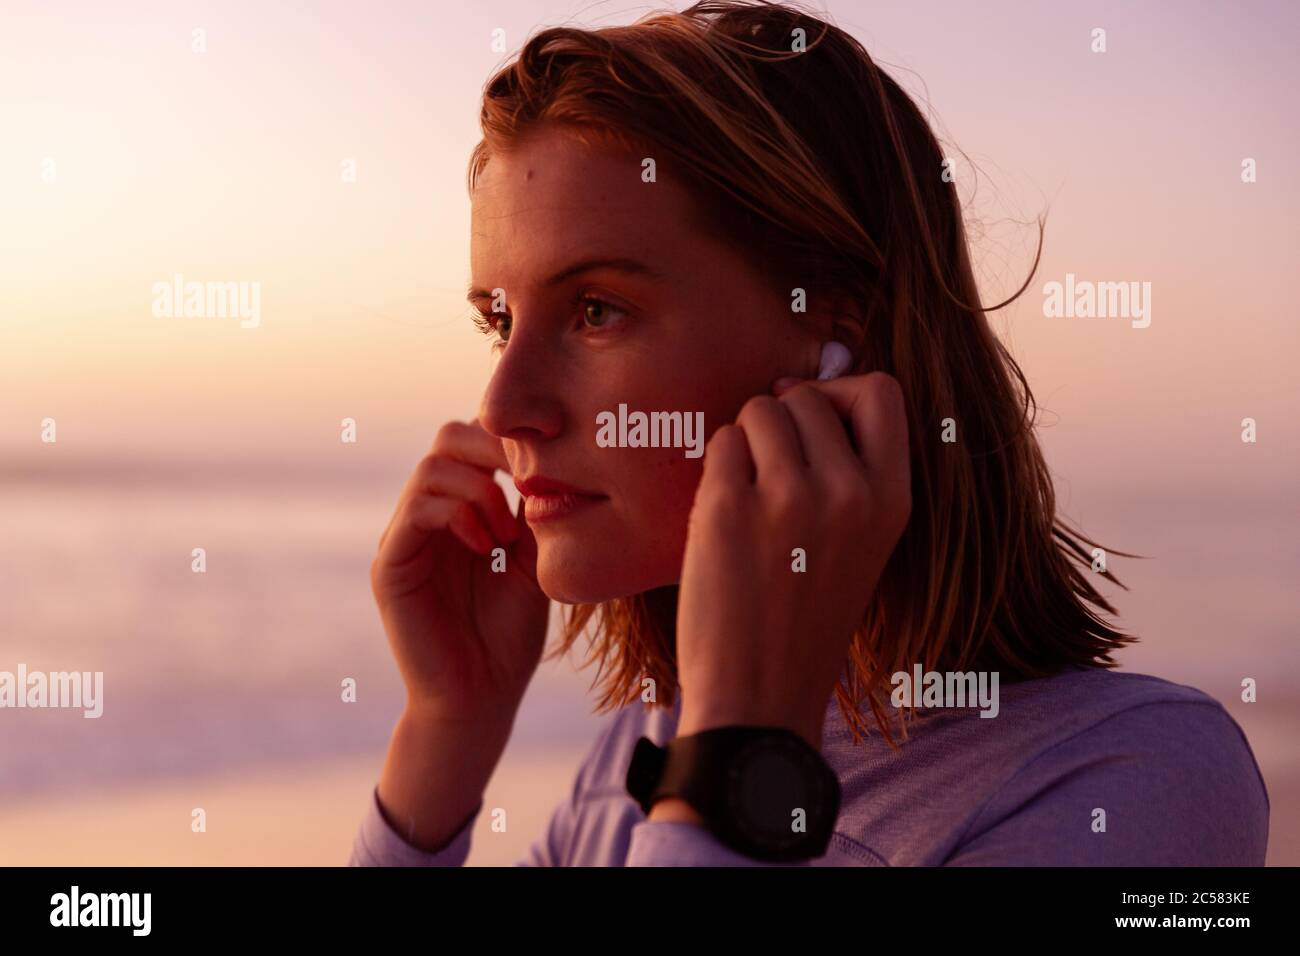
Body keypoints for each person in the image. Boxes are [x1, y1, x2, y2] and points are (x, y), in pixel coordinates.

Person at [348, 0, 1268, 866]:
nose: (504, 406)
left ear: (840, 334)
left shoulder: (1137, 772)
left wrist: (740, 762)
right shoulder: (642, 748)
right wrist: (447, 729)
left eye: (595, 309)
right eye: (498, 321)